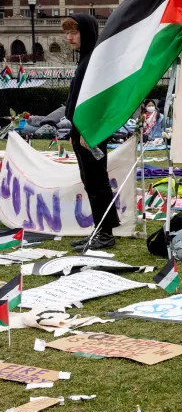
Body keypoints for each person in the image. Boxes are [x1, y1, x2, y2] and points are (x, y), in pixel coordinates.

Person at [63, 14, 119, 251]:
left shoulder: (92, 61)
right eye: (67, 33)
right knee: (91, 181)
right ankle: (100, 230)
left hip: (90, 133)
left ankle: (105, 234)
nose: (69, 38)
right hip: (82, 131)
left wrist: (88, 131)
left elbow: (96, 101)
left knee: (97, 182)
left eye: (74, 33)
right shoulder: (86, 59)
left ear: (85, 32)